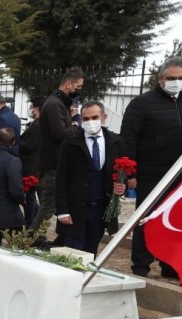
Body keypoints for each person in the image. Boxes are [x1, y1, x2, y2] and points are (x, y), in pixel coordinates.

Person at [121, 55, 182, 278]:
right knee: (146, 218)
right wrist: (130, 173)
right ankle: (141, 266)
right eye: (172, 78)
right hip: (151, 174)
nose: (177, 81)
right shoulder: (142, 104)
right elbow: (128, 139)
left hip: (180, 176)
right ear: (160, 79)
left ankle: (171, 265)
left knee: (176, 220)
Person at [56, 102, 126, 255]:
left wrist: (122, 185)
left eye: (94, 117)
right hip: (75, 209)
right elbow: (61, 179)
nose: (90, 122)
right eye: (86, 119)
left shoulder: (116, 142)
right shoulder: (70, 144)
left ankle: (86, 278)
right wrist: (62, 210)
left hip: (100, 210)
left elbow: (122, 172)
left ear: (103, 117)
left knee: (91, 251)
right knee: (72, 253)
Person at [30, 67, 85, 246]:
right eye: (78, 85)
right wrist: (76, 127)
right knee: (49, 204)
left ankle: (61, 237)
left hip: (59, 162)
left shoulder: (61, 104)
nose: (79, 89)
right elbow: (59, 133)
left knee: (60, 203)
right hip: (52, 163)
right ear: (68, 84)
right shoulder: (54, 104)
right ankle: (33, 239)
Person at [19, 96, 45, 226]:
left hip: (31, 168)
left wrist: (16, 142)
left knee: (29, 198)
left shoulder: (39, 125)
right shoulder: (34, 124)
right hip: (29, 167)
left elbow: (30, 146)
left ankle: (30, 224)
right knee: (29, 198)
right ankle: (33, 221)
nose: (30, 110)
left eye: (31, 107)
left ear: (37, 108)